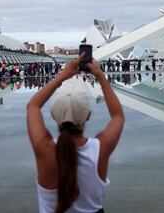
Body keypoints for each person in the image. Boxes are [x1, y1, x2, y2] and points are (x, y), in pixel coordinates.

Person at [27, 55, 125, 213]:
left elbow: (33, 106)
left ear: (53, 115)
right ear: (88, 115)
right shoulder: (99, 149)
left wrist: (63, 75)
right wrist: (100, 76)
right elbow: (118, 116)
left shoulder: (44, 149)